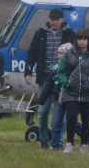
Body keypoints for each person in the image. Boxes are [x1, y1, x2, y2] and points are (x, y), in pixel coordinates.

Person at [25, 9, 75, 149]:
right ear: (49, 19)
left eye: (56, 19)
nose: (54, 22)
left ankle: (57, 141)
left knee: (59, 114)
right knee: (42, 111)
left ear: (62, 20)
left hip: (62, 79)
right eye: (52, 19)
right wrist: (28, 72)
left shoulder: (69, 34)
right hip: (45, 78)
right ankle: (43, 139)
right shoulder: (40, 34)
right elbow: (31, 53)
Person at [56, 28, 89, 153]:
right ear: (76, 40)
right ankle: (69, 143)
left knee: (86, 120)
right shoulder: (68, 54)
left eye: (84, 39)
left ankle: (84, 144)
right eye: (79, 39)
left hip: (88, 94)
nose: (82, 41)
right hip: (71, 93)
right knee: (71, 118)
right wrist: (66, 82)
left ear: (88, 40)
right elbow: (61, 71)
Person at [47, 42, 73, 150]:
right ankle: (54, 144)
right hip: (59, 97)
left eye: (61, 53)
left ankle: (60, 142)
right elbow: (50, 83)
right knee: (55, 122)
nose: (58, 55)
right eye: (58, 52)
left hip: (70, 98)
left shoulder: (73, 68)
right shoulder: (55, 68)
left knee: (68, 121)